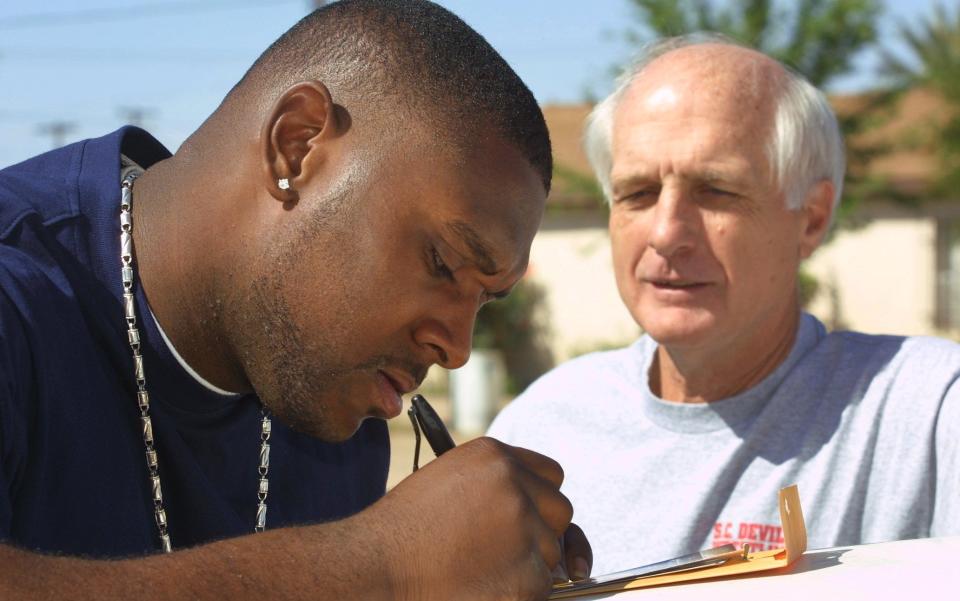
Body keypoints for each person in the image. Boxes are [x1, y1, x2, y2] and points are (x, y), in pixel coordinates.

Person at [0, 1, 591, 598]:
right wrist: (385, 565)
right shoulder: (16, 295)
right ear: (297, 145)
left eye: (486, 299)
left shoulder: (327, 391)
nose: (457, 348)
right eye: (443, 262)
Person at [488, 33, 960, 575]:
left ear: (810, 218)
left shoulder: (928, 414)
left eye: (716, 190)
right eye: (637, 193)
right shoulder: (539, 431)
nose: (666, 233)